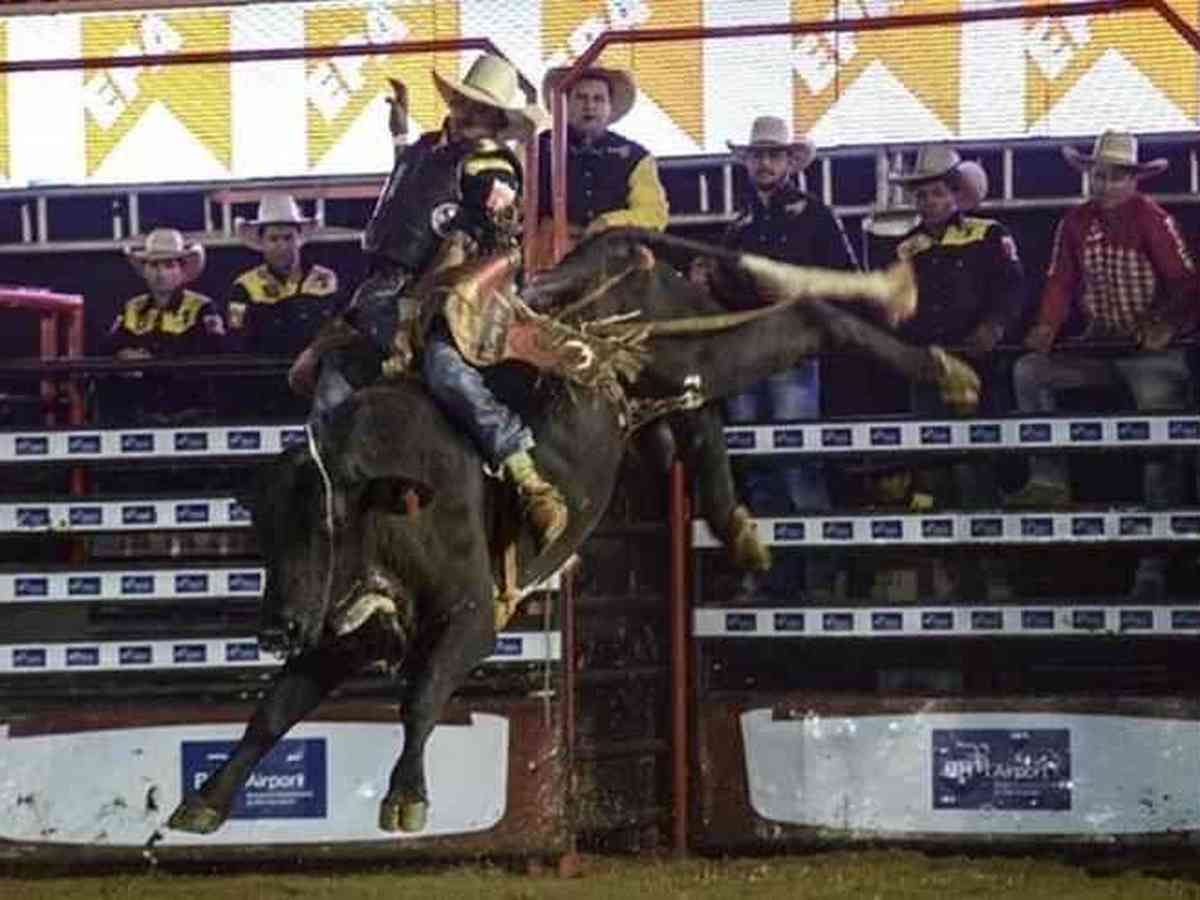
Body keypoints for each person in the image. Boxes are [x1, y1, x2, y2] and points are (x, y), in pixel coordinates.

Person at [295, 54, 567, 551]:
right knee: (333, 382)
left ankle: (524, 472)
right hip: (381, 289)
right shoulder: (427, 149)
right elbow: (410, 182)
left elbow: (495, 229)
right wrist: (399, 134)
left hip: (449, 288)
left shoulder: (491, 165)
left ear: (495, 123)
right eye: (465, 103)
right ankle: (326, 493)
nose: (467, 115)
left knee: (445, 368)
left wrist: (454, 268)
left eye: (481, 111)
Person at [1007, 130, 1197, 602]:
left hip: (1153, 352)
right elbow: (1059, 283)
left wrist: (1165, 326)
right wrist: (1046, 328)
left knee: (1158, 430)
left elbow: (1187, 286)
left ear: (1133, 180)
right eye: (1098, 175)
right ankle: (1048, 478)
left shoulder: (1153, 219)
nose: (1104, 184)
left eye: (1114, 176)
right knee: (1029, 371)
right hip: (1100, 346)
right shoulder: (1073, 223)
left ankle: (1154, 562)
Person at [714, 116, 859, 601]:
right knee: (760, 466)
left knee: (794, 461)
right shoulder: (739, 226)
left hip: (790, 351)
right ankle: (784, 574)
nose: (765, 163)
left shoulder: (814, 216)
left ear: (789, 162)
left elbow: (844, 279)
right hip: (751, 353)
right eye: (758, 155)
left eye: (773, 155)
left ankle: (818, 573)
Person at [889, 144, 1025, 600]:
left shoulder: (989, 234)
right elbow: (900, 310)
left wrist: (994, 326)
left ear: (955, 194)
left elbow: (1013, 288)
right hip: (929, 368)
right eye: (923, 195)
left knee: (976, 468)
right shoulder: (907, 247)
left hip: (978, 367)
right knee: (932, 468)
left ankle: (992, 571)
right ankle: (949, 577)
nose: (930, 202)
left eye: (938, 194)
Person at [530, 64, 668, 268]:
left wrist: (608, 223)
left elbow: (654, 214)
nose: (590, 106)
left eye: (598, 99)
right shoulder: (536, 147)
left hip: (612, 253)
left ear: (610, 107)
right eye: (581, 97)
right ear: (565, 103)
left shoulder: (636, 156)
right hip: (548, 257)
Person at [101, 228, 226, 425]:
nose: (160, 273)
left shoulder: (202, 307)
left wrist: (151, 360)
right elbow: (108, 349)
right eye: (153, 265)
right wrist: (123, 356)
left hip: (191, 412)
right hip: (141, 413)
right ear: (145, 270)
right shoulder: (133, 307)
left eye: (168, 265)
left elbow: (213, 353)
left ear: (182, 270)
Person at [227, 194, 340, 359]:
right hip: (264, 377)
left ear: (299, 239)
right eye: (273, 239)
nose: (282, 246)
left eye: (288, 238)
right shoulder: (244, 287)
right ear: (262, 242)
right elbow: (235, 340)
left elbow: (342, 329)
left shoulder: (327, 280)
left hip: (321, 376)